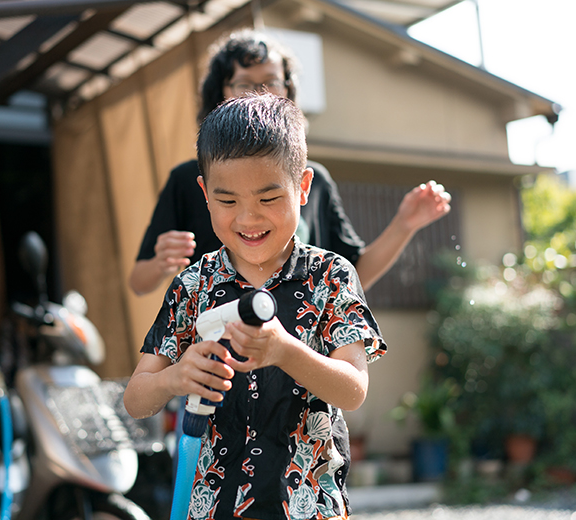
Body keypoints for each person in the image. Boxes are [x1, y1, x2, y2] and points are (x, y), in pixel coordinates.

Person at [123, 94, 387, 519]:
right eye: (227, 201)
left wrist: (285, 351)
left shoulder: (329, 276)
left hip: (307, 507)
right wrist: (176, 377)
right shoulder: (195, 283)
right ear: (205, 193)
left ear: (302, 188)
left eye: (268, 198)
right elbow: (137, 399)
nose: (248, 218)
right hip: (212, 508)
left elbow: (354, 389)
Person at [129, 28, 451, 297]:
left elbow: (351, 278)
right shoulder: (186, 178)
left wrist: (404, 225)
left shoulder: (318, 181)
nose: (259, 93)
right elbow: (138, 283)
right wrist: (160, 262)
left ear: (303, 187)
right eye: (244, 84)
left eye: (272, 81)